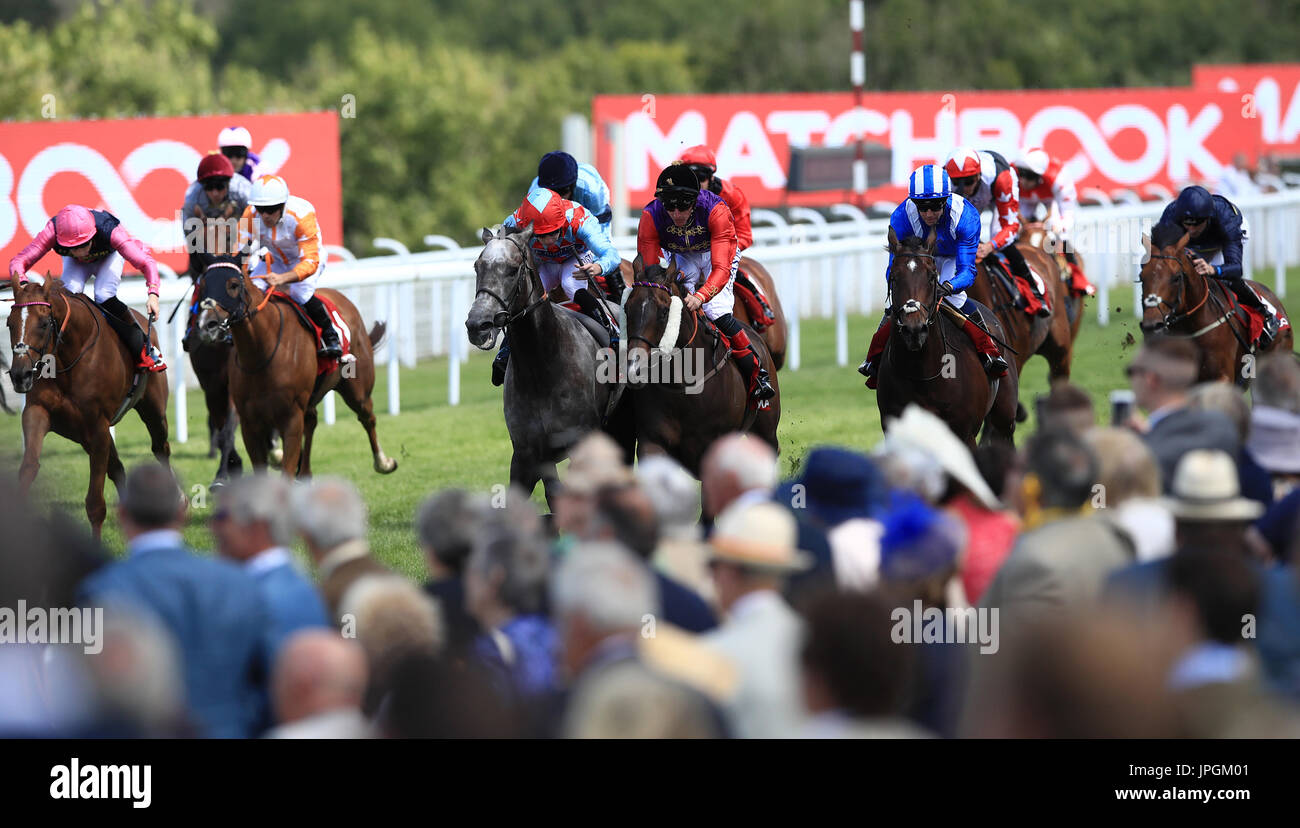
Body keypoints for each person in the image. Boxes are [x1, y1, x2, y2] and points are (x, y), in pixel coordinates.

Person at [77, 463, 273, 738]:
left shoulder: (100, 591)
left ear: (122, 515)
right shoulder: (236, 582)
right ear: (182, 511)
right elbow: (266, 681)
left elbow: (85, 694)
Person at [857, 164, 1010, 388]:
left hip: (951, 258)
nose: (929, 213)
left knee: (955, 299)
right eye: (922, 206)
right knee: (899, 306)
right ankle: (874, 359)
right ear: (913, 203)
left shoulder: (965, 217)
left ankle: (988, 350)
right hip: (918, 259)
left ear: (946, 199)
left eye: (935, 206)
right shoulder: (901, 217)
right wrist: (905, 289)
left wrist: (947, 287)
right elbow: (893, 268)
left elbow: (968, 271)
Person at [637, 163, 774, 401]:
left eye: (684, 206)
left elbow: (721, 268)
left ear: (695, 200)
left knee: (714, 309)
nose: (677, 214)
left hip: (715, 254)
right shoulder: (650, 215)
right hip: (681, 255)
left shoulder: (716, 211)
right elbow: (650, 270)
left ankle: (757, 374)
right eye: (670, 206)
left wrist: (701, 296)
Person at [8, 204, 166, 372]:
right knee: (69, 294)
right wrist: (24, 285)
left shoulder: (109, 230)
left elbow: (145, 262)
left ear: (93, 234)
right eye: (72, 247)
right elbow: (18, 262)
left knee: (103, 294)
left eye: (83, 244)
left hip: (109, 257)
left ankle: (145, 349)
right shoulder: (51, 231)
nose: (79, 252)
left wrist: (153, 294)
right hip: (77, 266)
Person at [492, 187, 624, 386]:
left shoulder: (579, 219)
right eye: (539, 235)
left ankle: (612, 332)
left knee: (570, 285)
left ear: (562, 222)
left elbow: (611, 255)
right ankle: (505, 351)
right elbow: (497, 244)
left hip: (574, 258)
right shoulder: (514, 221)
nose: (546, 241)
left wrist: (598, 266)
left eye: (552, 233)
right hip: (545, 264)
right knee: (527, 296)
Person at [1157, 185, 1281, 347]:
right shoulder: (1170, 217)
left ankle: (1265, 313)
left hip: (1222, 240)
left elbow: (1235, 268)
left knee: (1225, 280)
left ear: (1208, 218)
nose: (1192, 229)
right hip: (1193, 247)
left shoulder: (1226, 219)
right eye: (1187, 224)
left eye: (1197, 224)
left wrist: (1214, 269)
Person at [240, 174, 343, 359]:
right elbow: (240, 251)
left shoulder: (301, 216)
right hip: (276, 260)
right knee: (250, 292)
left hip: (306, 261)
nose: (264, 215)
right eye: (260, 209)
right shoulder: (250, 215)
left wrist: (282, 279)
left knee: (299, 294)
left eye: (270, 210)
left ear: (282, 206)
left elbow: (310, 263)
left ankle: (330, 335)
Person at [944, 146, 1049, 317]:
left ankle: (1035, 293)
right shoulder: (945, 182)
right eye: (957, 182)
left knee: (999, 236)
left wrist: (990, 246)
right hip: (977, 191)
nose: (964, 189)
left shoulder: (1003, 179)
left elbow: (1011, 226)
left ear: (978, 175)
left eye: (969, 181)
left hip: (996, 190)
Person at [1013, 147, 1095, 297]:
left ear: (1040, 176)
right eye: (1021, 174)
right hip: (1024, 200)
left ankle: (1077, 279)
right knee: (1014, 234)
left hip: (1052, 200)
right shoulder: (1012, 173)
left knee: (1057, 233)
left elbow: (1068, 212)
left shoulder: (1060, 179)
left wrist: (1059, 227)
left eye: (1029, 176)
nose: (1023, 181)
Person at [679, 145, 753, 251]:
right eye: (689, 177)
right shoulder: (668, 195)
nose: (695, 184)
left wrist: (720, 253)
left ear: (711, 177)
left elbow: (744, 236)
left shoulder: (732, 195)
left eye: (700, 177)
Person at [529, 150, 614, 242]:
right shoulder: (535, 193)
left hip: (589, 200)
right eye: (551, 193)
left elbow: (601, 224)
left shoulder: (592, 191)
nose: (558, 199)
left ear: (572, 185)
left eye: (562, 191)